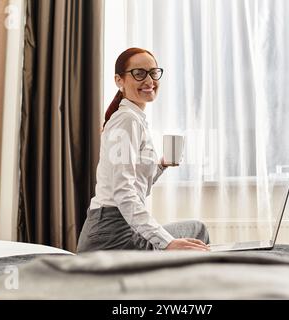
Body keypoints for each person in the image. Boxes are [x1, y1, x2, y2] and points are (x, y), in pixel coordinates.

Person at [77, 48, 210, 252]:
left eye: (153, 73)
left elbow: (135, 182)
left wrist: (162, 165)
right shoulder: (126, 120)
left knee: (195, 231)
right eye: (139, 73)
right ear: (119, 80)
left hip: (117, 226)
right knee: (196, 235)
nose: (149, 80)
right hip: (111, 233)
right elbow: (123, 192)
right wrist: (167, 242)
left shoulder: (133, 119)